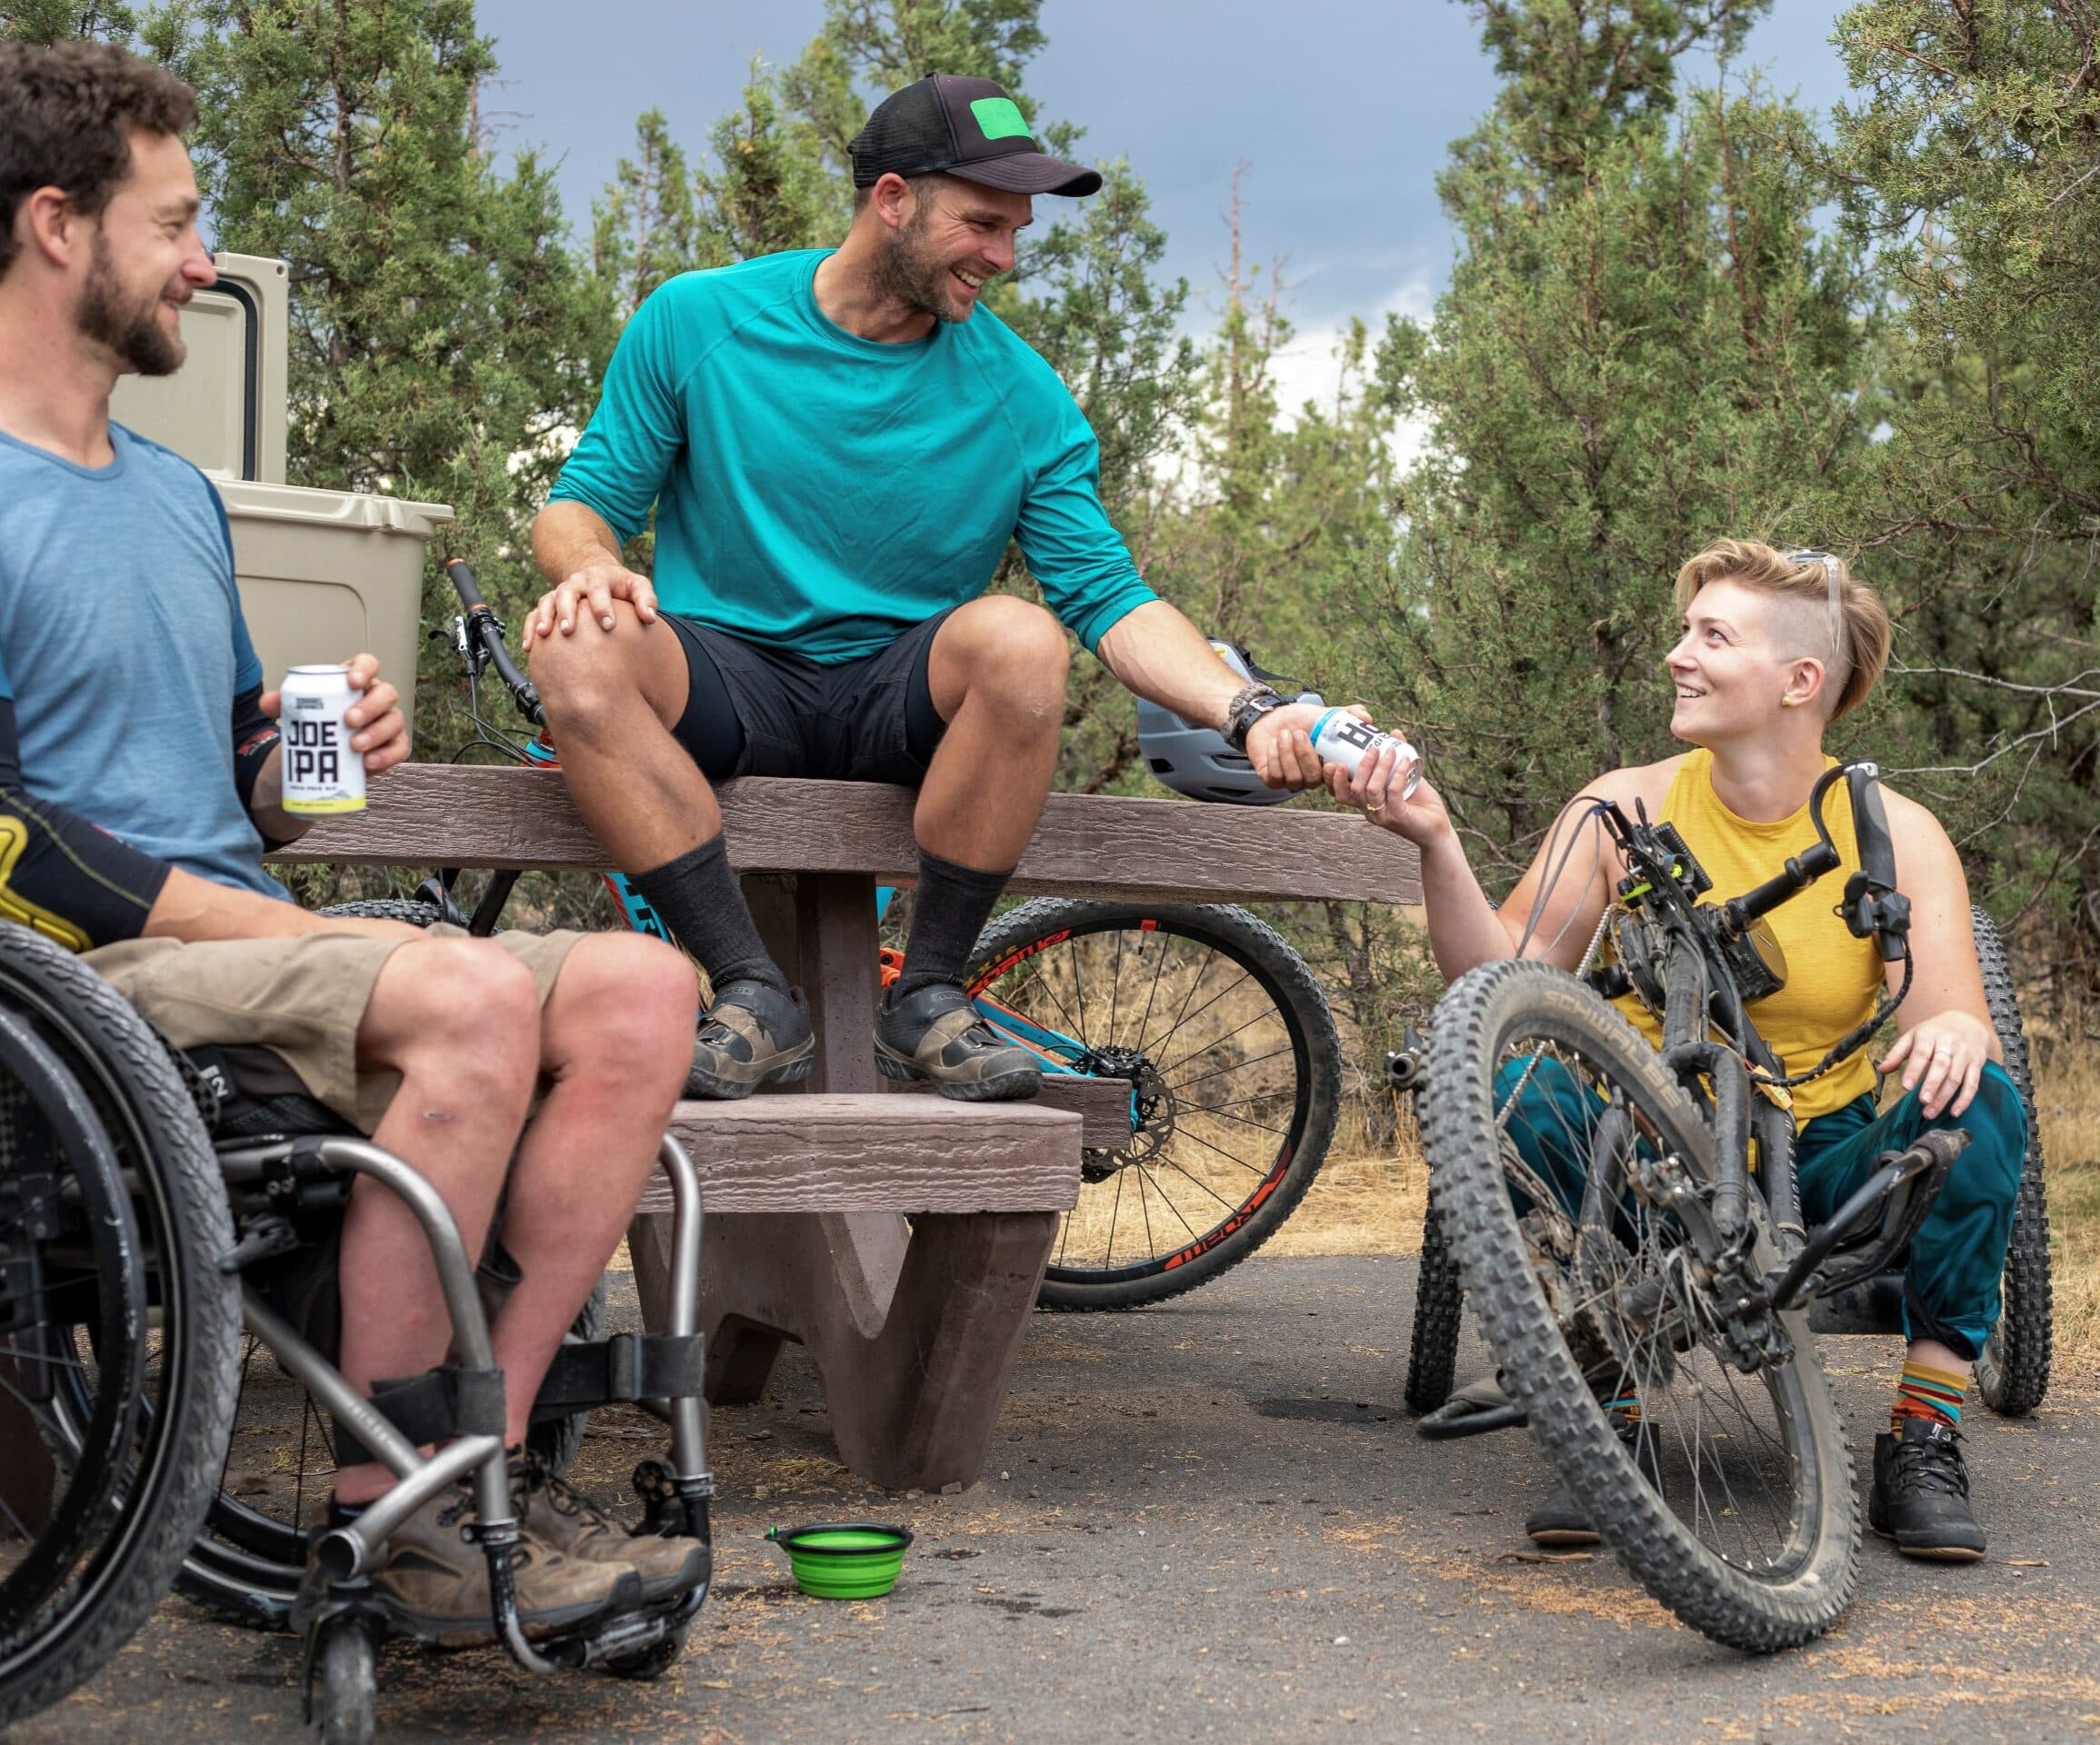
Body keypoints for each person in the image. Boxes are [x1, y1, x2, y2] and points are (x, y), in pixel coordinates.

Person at [0, 41, 704, 1642]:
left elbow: (242, 780)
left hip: (241, 948)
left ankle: (466, 1477)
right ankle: (397, 1521)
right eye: (175, 224)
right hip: (75, 982)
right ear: (58, 226)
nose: (202, 262)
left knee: (639, 995)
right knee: (463, 996)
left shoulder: (174, 494)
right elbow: (8, 835)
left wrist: (315, 763)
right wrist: (294, 938)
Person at [525, 74, 1365, 1101]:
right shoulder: (699, 320)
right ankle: (750, 992)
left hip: (896, 705)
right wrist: (594, 569)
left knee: (1022, 639)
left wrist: (1247, 708)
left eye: (1016, 232)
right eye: (981, 223)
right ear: (892, 200)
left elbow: (1109, 597)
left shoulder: (1021, 394)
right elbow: (577, 506)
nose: (1003, 258)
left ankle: (926, 998)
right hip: (728, 683)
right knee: (577, 641)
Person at [1313, 540, 2028, 1561]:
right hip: (1645, 1149)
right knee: (1510, 1085)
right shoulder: (1625, 807)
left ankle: (1924, 1433)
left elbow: (1949, 1029)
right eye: (1684, 632)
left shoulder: (1896, 834)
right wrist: (1436, 842)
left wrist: (1958, 1028)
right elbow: (1497, 979)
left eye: (1712, 636)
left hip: (1820, 1160)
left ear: (1800, 681)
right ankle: (1609, 1418)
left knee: (1980, 1107)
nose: (1676, 656)